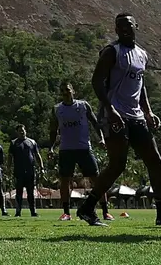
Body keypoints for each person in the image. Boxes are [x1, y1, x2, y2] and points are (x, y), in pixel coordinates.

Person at [76, 12, 161, 226]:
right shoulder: (111, 52)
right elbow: (97, 82)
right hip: (115, 114)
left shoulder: (142, 54)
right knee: (117, 164)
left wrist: (148, 112)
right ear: (115, 30)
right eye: (119, 26)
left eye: (128, 25)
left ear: (136, 27)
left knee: (155, 160)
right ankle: (87, 207)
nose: (124, 29)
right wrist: (110, 109)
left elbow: (140, 87)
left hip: (136, 115)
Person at [48, 82, 112, 221]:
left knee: (96, 179)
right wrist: (51, 147)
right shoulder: (57, 109)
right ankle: (66, 213)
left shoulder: (83, 105)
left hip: (84, 148)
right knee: (65, 181)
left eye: (68, 89)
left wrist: (101, 139)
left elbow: (95, 123)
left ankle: (106, 212)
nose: (66, 92)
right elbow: (53, 130)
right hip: (66, 149)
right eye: (63, 90)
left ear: (73, 91)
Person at [7, 125, 44, 217]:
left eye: (23, 130)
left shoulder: (32, 142)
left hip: (30, 171)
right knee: (18, 192)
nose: (21, 132)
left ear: (25, 131)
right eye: (19, 131)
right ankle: (18, 212)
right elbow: (10, 157)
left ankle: (33, 212)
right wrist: (8, 168)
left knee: (31, 193)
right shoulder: (13, 143)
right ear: (17, 132)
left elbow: (37, 155)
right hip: (18, 171)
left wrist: (42, 168)